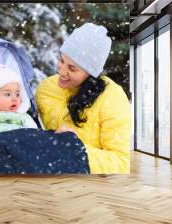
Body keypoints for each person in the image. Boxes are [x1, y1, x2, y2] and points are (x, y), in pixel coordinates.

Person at [35, 23, 131, 174]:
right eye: (62, 61)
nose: (62, 71)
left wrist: (75, 148)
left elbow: (120, 163)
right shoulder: (46, 89)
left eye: (72, 68)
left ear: (91, 72)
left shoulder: (112, 99)